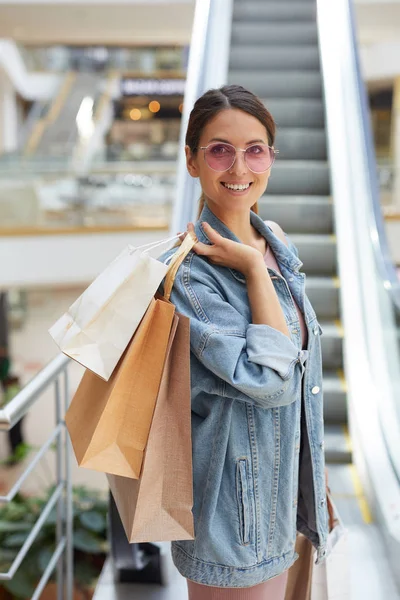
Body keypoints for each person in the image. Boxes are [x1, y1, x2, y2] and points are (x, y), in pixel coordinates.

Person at [159, 84, 328, 599]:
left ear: (270, 158)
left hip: (287, 507)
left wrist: (313, 483)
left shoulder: (273, 239)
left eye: (255, 149)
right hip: (234, 522)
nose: (239, 167)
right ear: (192, 161)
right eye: (219, 150)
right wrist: (253, 271)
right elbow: (269, 383)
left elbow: (301, 379)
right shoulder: (189, 275)